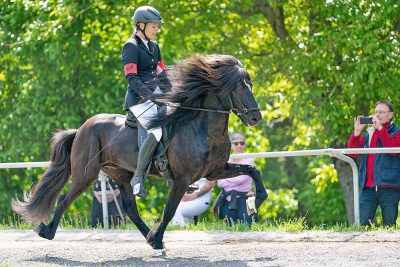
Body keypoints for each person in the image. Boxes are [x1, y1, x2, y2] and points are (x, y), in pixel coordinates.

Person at [121, 6, 171, 198]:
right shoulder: (131, 46)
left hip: (156, 94)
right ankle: (139, 177)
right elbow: (132, 78)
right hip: (138, 98)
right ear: (140, 26)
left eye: (157, 26)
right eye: (153, 26)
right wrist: (150, 95)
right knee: (156, 130)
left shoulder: (154, 47)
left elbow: (161, 72)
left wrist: (172, 92)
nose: (157, 30)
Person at [348, 100, 400, 226]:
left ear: (390, 115)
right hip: (368, 187)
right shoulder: (369, 133)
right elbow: (353, 153)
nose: (378, 115)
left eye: (382, 112)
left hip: (389, 186)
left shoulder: (397, 132)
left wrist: (381, 129)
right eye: (376, 112)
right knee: (362, 224)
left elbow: (392, 150)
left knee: (389, 225)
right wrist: (356, 132)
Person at [213, 132, 257, 226]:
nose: (239, 145)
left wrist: (226, 176)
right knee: (229, 229)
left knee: (248, 228)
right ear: (231, 145)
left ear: (245, 145)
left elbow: (240, 179)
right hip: (227, 199)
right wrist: (233, 177)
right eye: (236, 143)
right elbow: (220, 183)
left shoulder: (249, 160)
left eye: (242, 143)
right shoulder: (225, 160)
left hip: (246, 200)